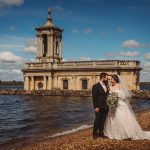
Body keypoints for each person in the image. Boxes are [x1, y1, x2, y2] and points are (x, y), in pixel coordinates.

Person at [104, 75, 150, 140]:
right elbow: (110, 95)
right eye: (110, 79)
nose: (111, 80)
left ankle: (126, 134)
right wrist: (111, 100)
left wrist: (116, 97)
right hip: (113, 105)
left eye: (112, 79)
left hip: (121, 104)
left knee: (122, 118)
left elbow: (124, 96)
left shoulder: (119, 85)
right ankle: (115, 134)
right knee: (113, 119)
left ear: (115, 79)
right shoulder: (110, 87)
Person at [92, 72, 109, 139]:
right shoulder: (95, 86)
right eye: (106, 78)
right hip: (98, 107)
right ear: (103, 77)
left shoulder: (106, 85)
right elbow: (94, 97)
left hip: (106, 106)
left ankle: (101, 133)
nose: (107, 79)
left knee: (103, 120)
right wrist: (95, 107)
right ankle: (94, 134)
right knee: (97, 120)